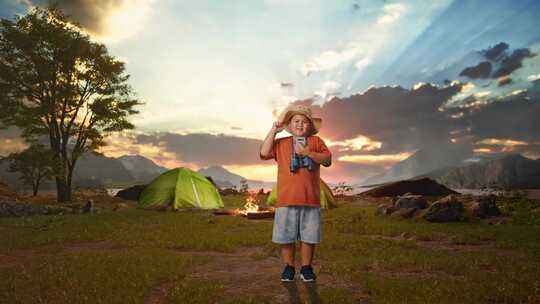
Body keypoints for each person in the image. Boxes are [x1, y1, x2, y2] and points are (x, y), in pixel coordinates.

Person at [259, 104, 332, 282]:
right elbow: (263, 153)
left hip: (310, 198)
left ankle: (306, 268)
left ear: (310, 126)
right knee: (287, 235)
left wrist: (309, 153)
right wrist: (273, 131)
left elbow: (328, 159)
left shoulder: (316, 142)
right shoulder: (281, 143)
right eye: (296, 121)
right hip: (286, 198)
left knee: (309, 235)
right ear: (290, 126)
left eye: (304, 122)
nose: (300, 125)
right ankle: (289, 267)